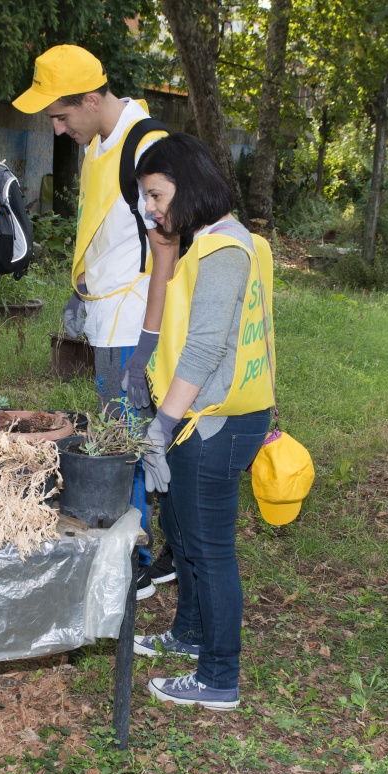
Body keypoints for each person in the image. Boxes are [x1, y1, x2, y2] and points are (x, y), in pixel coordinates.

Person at [13, 44, 173, 594]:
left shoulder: (145, 144)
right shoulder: (99, 144)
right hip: (106, 318)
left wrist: (148, 345)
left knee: (127, 443)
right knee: (117, 436)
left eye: (61, 116)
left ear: (88, 99)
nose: (57, 129)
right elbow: (102, 229)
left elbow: (170, 246)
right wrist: (80, 289)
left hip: (135, 326)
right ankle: (146, 548)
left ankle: (136, 559)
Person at [129, 134, 276, 710]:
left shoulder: (224, 251)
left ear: (187, 185)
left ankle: (218, 676)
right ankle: (189, 633)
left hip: (212, 423)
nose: (150, 208)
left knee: (210, 549)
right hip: (204, 417)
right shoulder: (216, 241)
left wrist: (161, 426)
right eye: (146, 197)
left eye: (157, 195)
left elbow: (204, 349)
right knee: (184, 532)